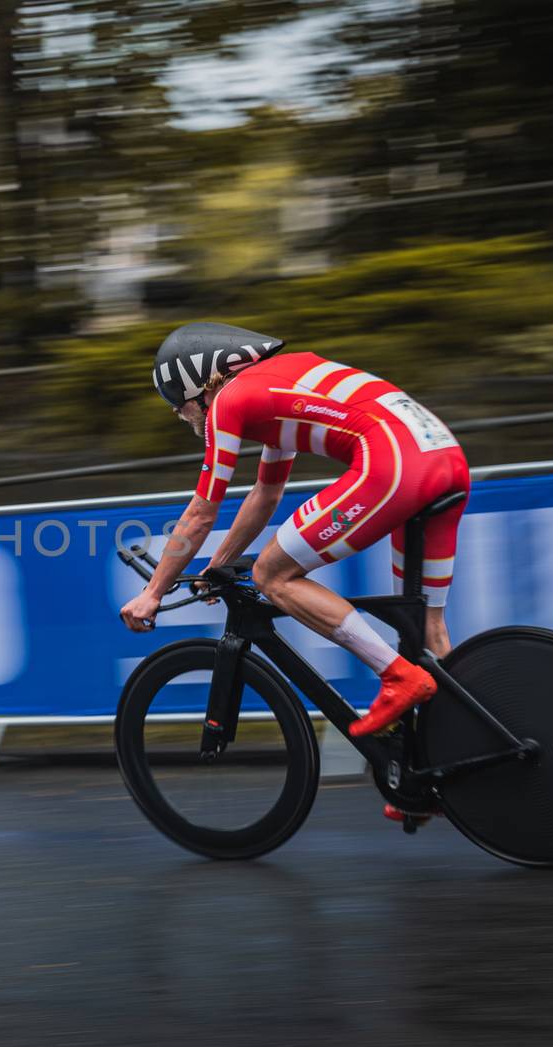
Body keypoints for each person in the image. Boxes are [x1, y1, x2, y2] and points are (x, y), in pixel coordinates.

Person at [118, 323, 470, 820]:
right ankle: (443, 762)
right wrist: (214, 569)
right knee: (426, 627)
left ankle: (395, 677)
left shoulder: (230, 402)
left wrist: (153, 591)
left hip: (392, 462)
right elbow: (265, 496)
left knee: (272, 576)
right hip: (444, 458)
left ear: (204, 382)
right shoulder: (274, 386)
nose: (181, 414)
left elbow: (201, 513)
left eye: (179, 401)